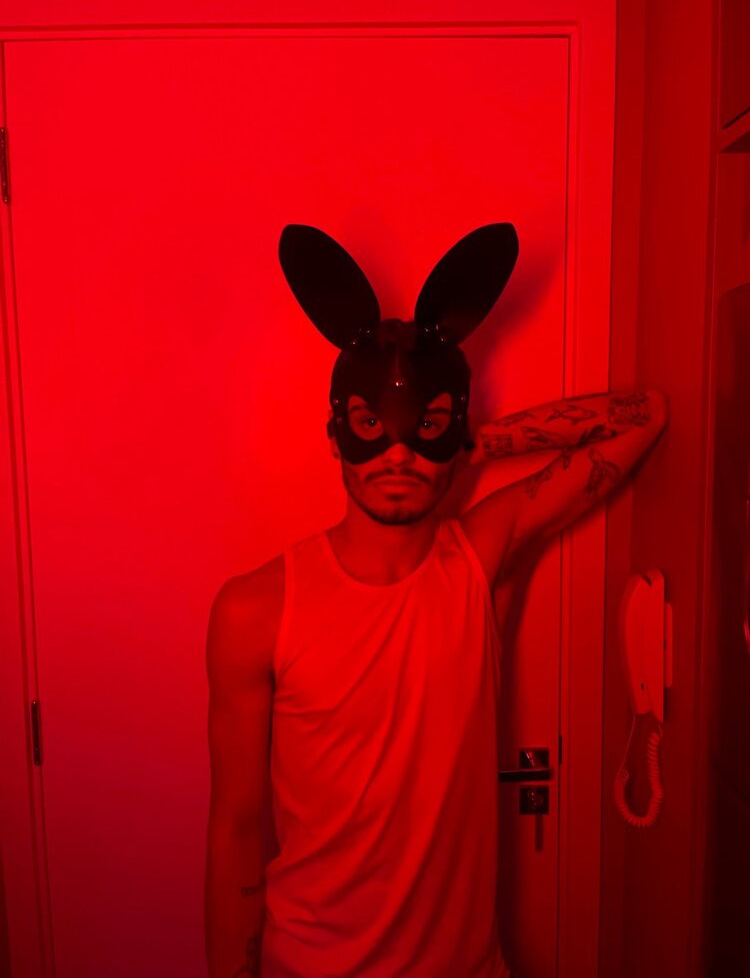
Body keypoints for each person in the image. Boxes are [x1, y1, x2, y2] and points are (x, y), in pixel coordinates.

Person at [204, 224, 669, 978]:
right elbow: (234, 831)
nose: (398, 453)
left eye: (425, 428)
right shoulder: (254, 612)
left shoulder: (481, 558)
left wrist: (478, 443)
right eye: (370, 427)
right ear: (336, 435)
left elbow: (644, 414)